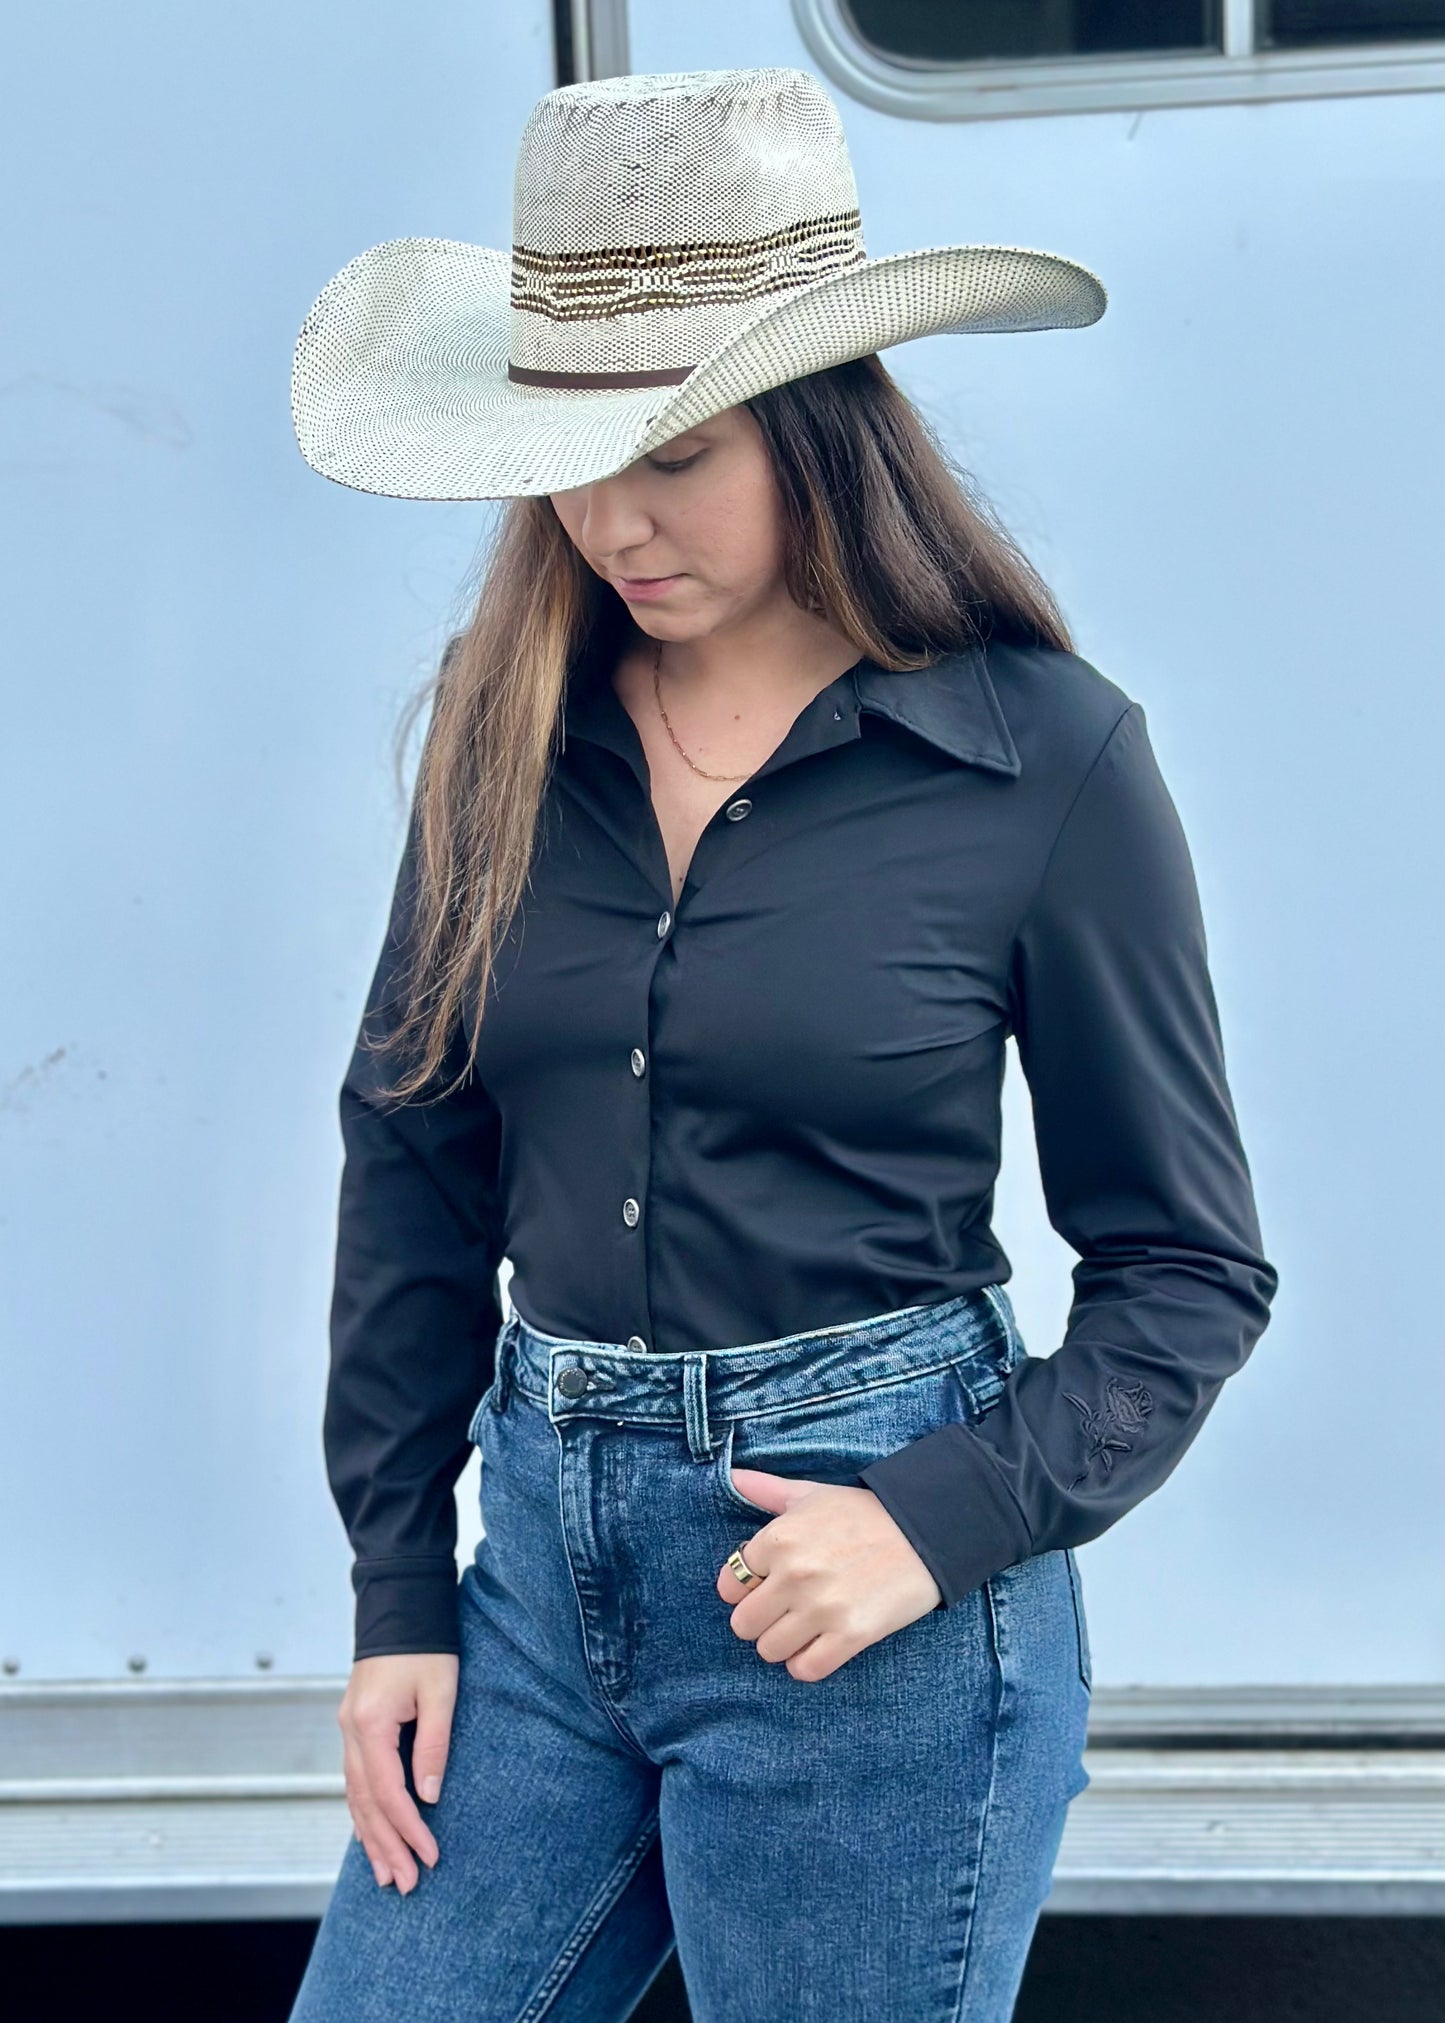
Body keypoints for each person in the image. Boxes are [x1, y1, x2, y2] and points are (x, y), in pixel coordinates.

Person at [286, 66, 1276, 2023]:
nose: (610, 518)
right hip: (539, 1580)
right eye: (571, 452)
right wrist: (399, 1592)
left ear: (823, 432)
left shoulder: (1042, 760)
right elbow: (411, 1156)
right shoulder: (505, 739)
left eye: (680, 452)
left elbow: (1190, 1274)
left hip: (865, 1586)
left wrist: (935, 1521)